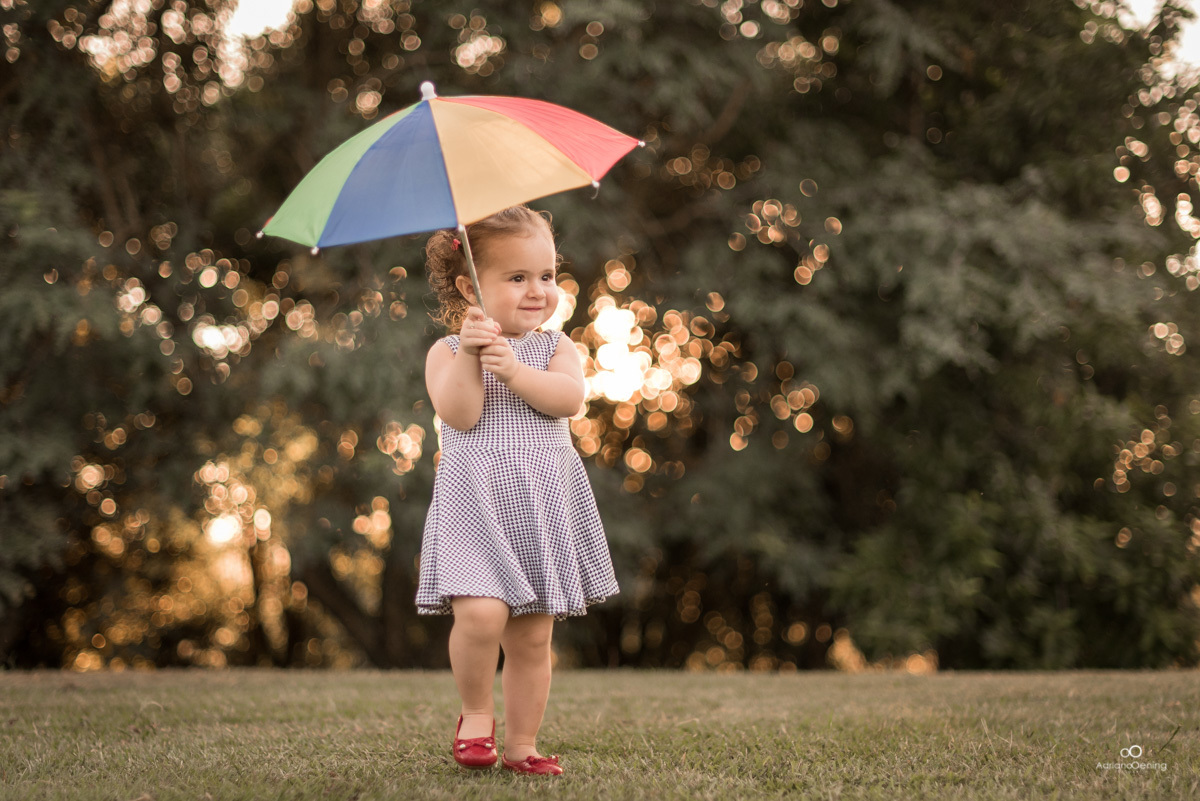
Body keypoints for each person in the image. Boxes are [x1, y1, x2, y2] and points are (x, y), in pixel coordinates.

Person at [416, 205, 620, 776]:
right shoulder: (448, 353)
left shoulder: (556, 348)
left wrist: (515, 371)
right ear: (469, 285)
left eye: (548, 276)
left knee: (532, 638)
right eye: (517, 277)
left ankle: (523, 745)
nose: (538, 291)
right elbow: (458, 415)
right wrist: (477, 358)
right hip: (474, 505)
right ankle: (476, 714)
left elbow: (567, 400)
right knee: (481, 616)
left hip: (537, 503)